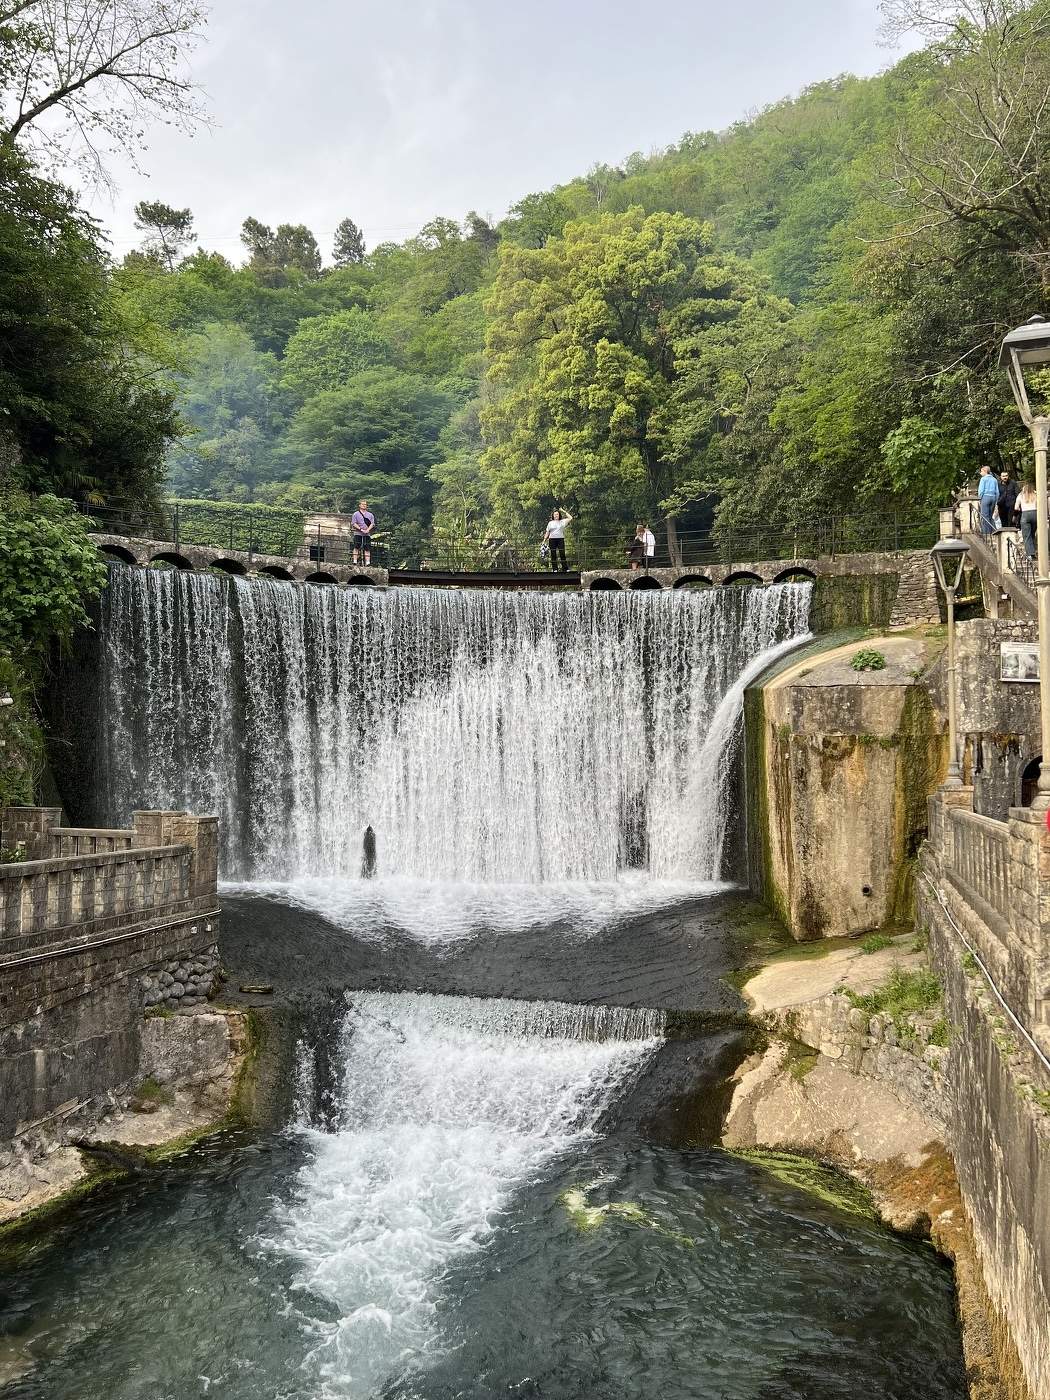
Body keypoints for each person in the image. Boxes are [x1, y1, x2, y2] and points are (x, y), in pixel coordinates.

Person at [543, 508, 573, 573]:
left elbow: (570, 518)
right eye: (555, 514)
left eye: (557, 514)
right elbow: (547, 532)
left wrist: (563, 511)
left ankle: (565, 568)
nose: (556, 516)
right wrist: (544, 540)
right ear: (553, 516)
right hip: (552, 540)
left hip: (560, 539)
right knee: (553, 554)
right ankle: (555, 569)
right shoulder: (550, 523)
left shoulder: (562, 521)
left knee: (562, 553)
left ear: (559, 515)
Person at [1017, 481, 1038, 559]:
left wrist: (1020, 508)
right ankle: (1034, 552)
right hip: (1035, 514)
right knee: (1032, 534)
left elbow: (1016, 507)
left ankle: (1030, 554)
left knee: (1026, 535)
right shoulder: (1035, 494)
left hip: (1025, 514)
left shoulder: (1021, 495)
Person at [977, 466, 999, 537]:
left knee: (984, 516)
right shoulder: (994, 479)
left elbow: (981, 491)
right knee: (990, 516)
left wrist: (980, 499)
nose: (980, 473)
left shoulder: (983, 479)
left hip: (985, 497)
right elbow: (997, 492)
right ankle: (994, 531)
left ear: (985, 471)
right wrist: (996, 500)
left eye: (981, 471)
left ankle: (986, 533)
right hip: (993, 498)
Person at [351, 500, 375, 565]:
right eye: (362, 504)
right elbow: (353, 523)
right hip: (358, 533)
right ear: (359, 505)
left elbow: (372, 524)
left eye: (365, 504)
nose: (364, 505)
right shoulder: (355, 514)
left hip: (367, 534)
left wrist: (367, 530)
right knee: (356, 546)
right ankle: (355, 561)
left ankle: (367, 562)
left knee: (367, 548)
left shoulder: (370, 515)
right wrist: (361, 529)